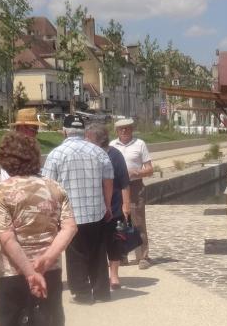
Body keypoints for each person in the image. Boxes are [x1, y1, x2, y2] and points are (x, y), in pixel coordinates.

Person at [0, 131, 79, 326]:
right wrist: (46, 259)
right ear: (35, 157)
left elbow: (5, 236)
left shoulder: (3, 191)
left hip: (12, 271)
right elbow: (70, 227)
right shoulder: (54, 187)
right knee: (52, 324)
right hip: (49, 270)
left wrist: (29, 271)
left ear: (5, 159)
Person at [42, 113, 114, 303]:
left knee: (75, 254)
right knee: (98, 252)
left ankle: (82, 293)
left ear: (64, 131)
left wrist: (51, 214)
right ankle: (101, 292)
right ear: (83, 131)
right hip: (96, 210)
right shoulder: (99, 152)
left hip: (70, 214)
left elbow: (48, 186)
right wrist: (108, 205)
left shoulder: (55, 154)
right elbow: (108, 182)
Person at [87, 123, 130, 290]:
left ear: (95, 139)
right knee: (97, 243)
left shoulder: (115, 155)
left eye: (88, 137)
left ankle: (114, 275)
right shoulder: (89, 155)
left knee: (115, 241)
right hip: (95, 207)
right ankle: (97, 275)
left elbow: (125, 182)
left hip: (115, 206)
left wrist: (126, 205)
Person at [110, 118, 154, 268]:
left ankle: (143, 256)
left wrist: (137, 171)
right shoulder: (111, 146)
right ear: (116, 131)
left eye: (127, 128)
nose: (124, 131)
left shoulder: (140, 144)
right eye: (121, 129)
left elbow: (150, 169)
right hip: (117, 188)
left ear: (132, 129)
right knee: (120, 222)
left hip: (135, 186)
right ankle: (122, 255)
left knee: (138, 221)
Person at [0, 108, 42, 181]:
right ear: (23, 128)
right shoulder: (10, 151)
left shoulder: (32, 150)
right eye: (34, 128)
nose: (36, 133)